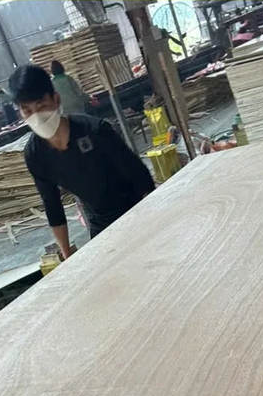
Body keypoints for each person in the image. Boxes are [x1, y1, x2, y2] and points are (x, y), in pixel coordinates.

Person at [8, 65, 154, 259]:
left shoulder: (95, 130)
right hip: (100, 225)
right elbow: (52, 205)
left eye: (41, 106)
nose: (37, 117)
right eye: (27, 111)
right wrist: (66, 253)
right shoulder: (35, 154)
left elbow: (139, 175)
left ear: (56, 99)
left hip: (135, 209)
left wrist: (152, 218)